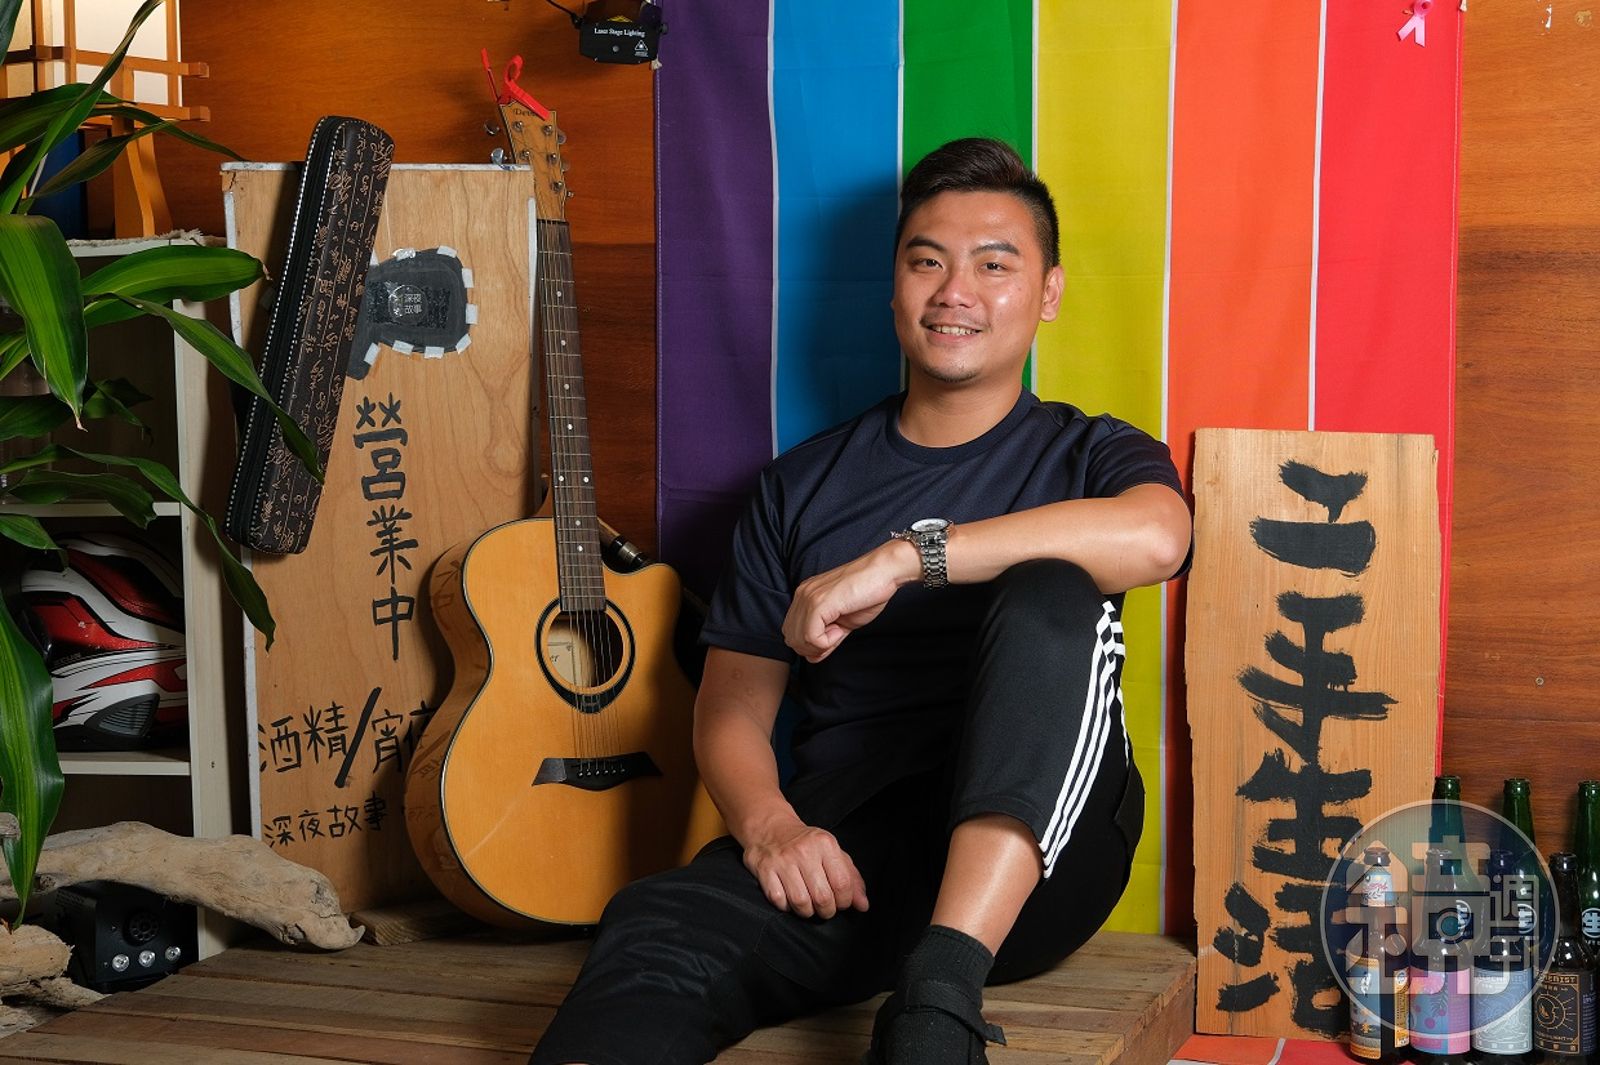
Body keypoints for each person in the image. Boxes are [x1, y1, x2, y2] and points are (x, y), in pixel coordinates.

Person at [530, 137, 1193, 1065]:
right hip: (856, 857)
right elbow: (731, 705)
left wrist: (907, 558)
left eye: (994, 265)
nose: (955, 292)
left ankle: (938, 1001)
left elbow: (1159, 538)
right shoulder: (798, 487)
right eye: (927, 262)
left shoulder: (1091, 454)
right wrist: (772, 828)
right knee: (658, 924)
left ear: (1048, 293)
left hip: (1045, 858)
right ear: (893, 289)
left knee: (1052, 589)